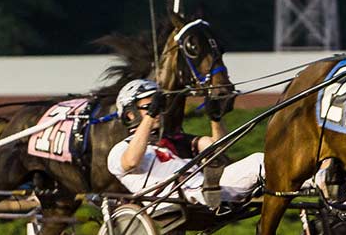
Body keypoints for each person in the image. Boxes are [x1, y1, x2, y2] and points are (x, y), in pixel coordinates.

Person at [107, 79, 263, 208]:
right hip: (173, 198)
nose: (158, 112)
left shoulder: (175, 139)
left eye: (159, 107)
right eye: (150, 107)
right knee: (203, 185)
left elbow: (218, 147)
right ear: (130, 114)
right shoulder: (119, 150)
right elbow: (132, 161)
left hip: (208, 187)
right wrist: (150, 115)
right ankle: (210, 192)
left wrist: (215, 119)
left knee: (259, 160)